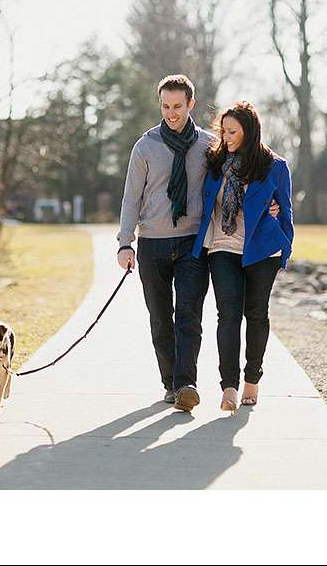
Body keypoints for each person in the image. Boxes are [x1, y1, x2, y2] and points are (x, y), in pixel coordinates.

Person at [116, 75, 216, 412]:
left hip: (192, 242)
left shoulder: (208, 145)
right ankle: (171, 383)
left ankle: (187, 384)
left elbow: (237, 180)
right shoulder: (145, 146)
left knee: (189, 315)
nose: (171, 113)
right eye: (165, 106)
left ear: (191, 104)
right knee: (161, 319)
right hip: (153, 244)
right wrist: (125, 243)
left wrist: (272, 202)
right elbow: (131, 198)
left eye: (177, 106)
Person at [192, 101, 293, 411]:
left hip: (262, 251)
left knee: (257, 314)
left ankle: (252, 378)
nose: (227, 137)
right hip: (222, 247)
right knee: (228, 314)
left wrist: (284, 246)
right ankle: (229, 386)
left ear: (249, 132)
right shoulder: (215, 162)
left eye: (233, 132)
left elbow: (285, 211)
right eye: (223, 131)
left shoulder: (274, 166)